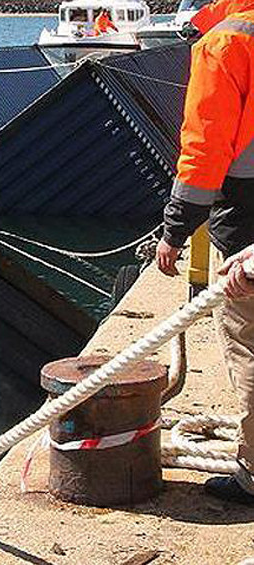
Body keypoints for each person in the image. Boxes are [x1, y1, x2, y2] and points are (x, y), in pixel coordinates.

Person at [156, 8, 254, 503]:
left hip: (248, 217)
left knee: (250, 345)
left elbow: (205, 151)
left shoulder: (226, 41)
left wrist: (175, 230)